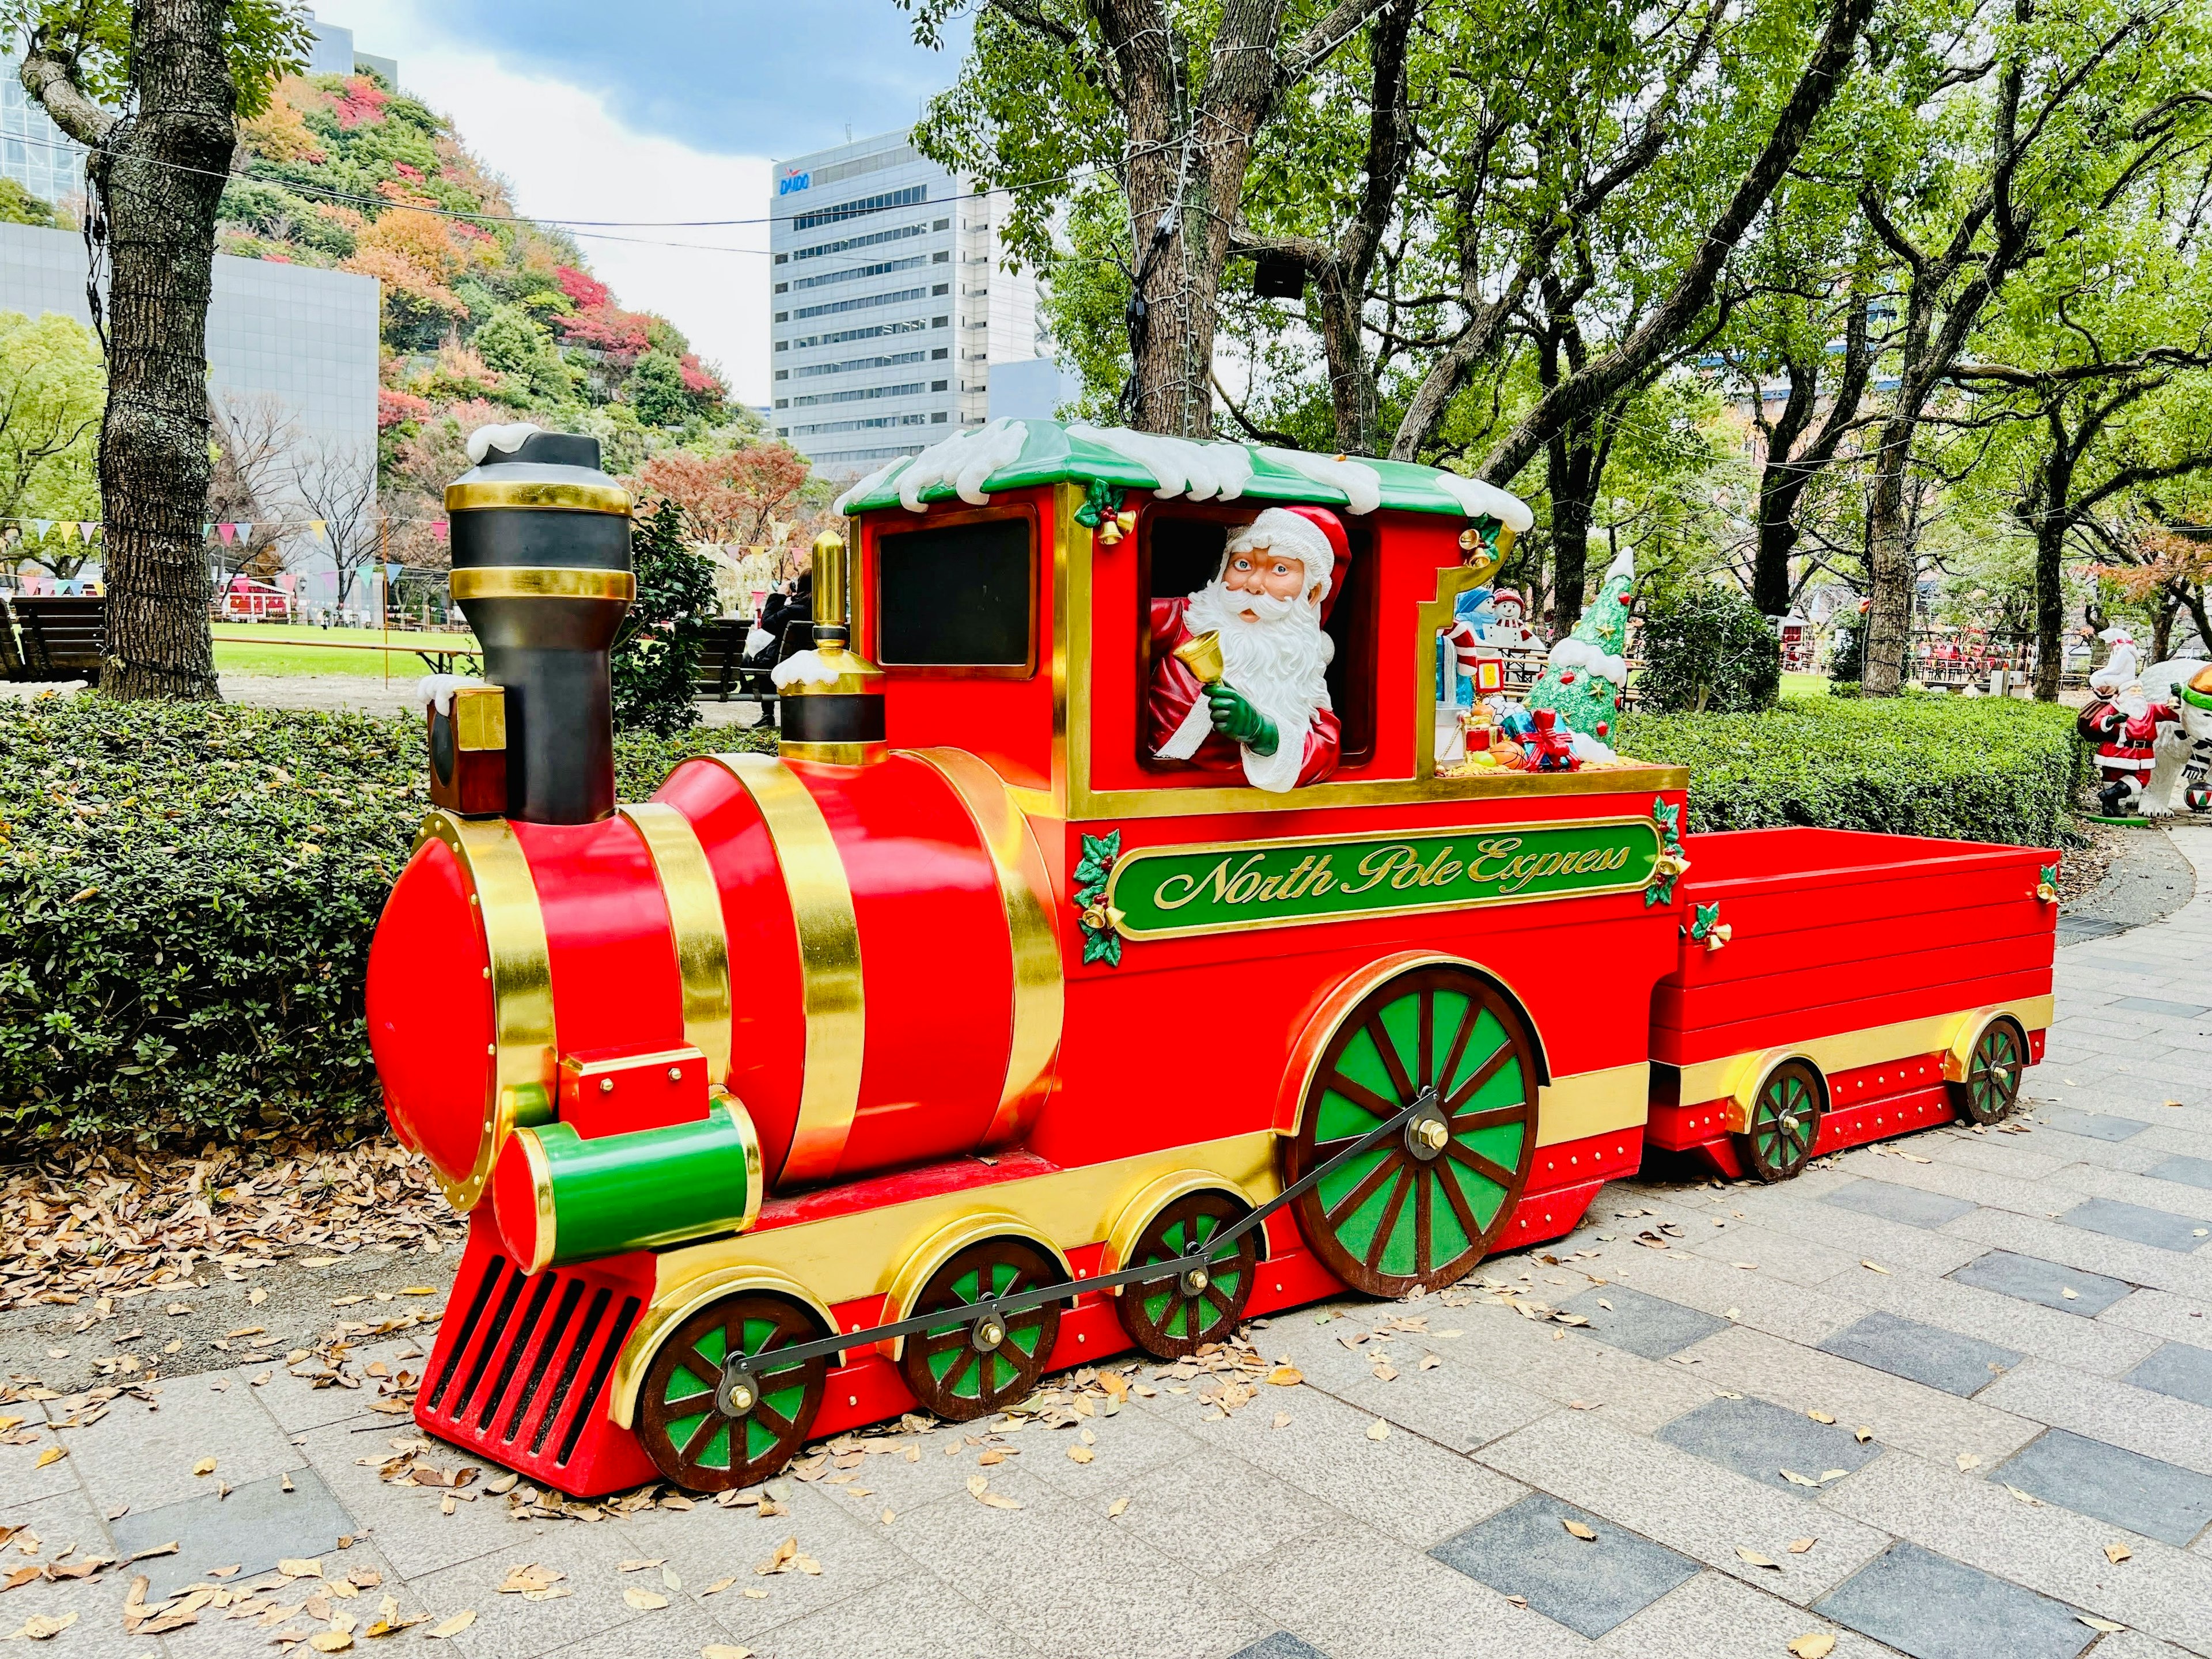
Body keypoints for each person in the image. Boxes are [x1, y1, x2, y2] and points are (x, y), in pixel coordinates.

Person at [1146, 505, 1346, 792]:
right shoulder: (1189, 617)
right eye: (1243, 565)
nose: (1253, 584)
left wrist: (1261, 732)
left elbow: (1326, 751)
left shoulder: (1303, 657)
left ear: (1311, 593)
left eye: (1280, 569)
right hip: (1153, 783)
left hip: (1247, 804)